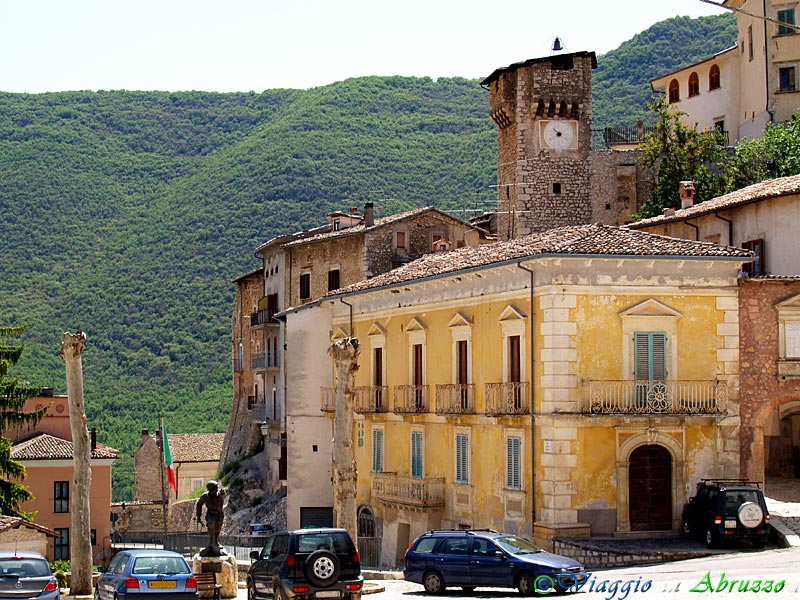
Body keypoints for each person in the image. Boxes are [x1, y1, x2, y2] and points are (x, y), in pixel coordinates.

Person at [195, 480, 226, 556]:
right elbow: (199, 504)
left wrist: (223, 493)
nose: (217, 489)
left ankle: (216, 541)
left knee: (218, 527)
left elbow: (223, 494)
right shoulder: (205, 496)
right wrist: (198, 516)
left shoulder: (219, 494)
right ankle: (211, 541)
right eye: (215, 488)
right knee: (210, 524)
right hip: (210, 513)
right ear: (211, 489)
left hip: (219, 514)